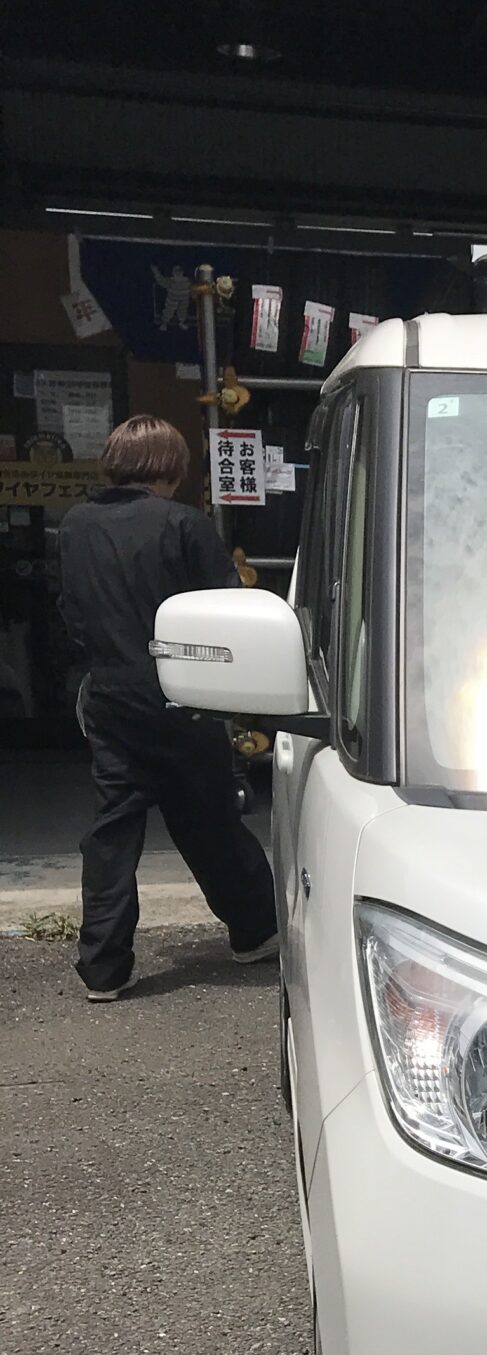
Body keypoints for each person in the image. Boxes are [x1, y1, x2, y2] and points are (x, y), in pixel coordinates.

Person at [56, 415, 279, 1001]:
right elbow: (227, 611)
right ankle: (255, 929)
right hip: (182, 694)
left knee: (114, 827)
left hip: (108, 694)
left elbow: (71, 612)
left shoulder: (76, 525)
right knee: (209, 820)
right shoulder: (183, 524)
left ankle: (104, 967)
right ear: (173, 467)